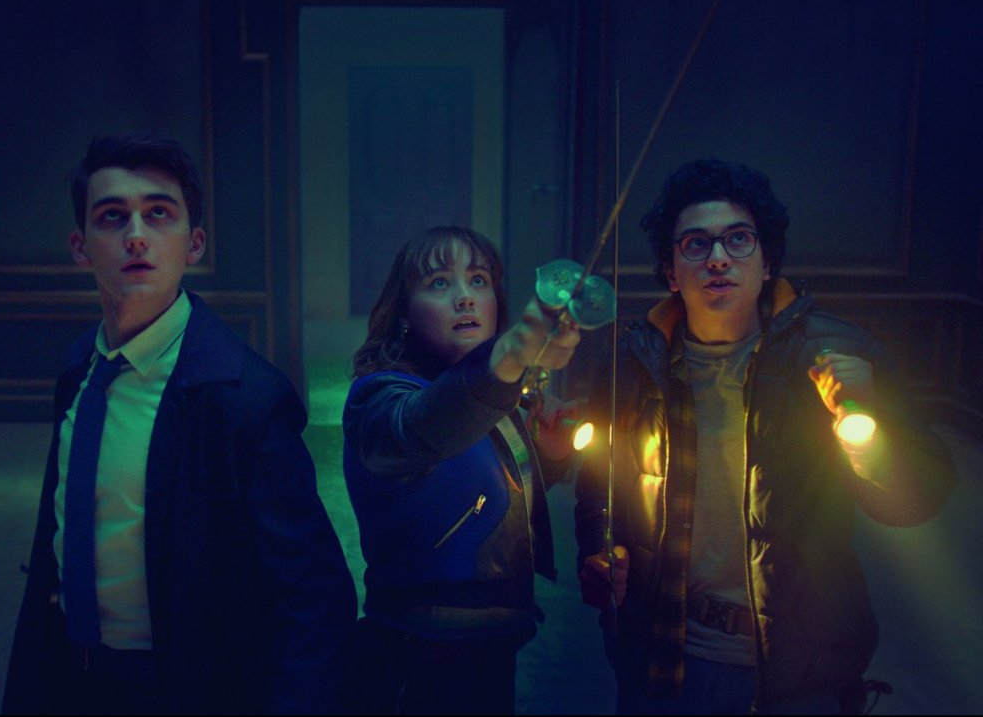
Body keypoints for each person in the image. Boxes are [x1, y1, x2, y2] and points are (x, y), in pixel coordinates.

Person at [574, 158, 957, 714]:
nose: (718, 258)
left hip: (798, 666)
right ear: (671, 271)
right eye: (696, 244)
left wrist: (866, 424)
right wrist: (599, 554)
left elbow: (916, 500)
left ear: (767, 259)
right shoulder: (634, 364)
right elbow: (597, 487)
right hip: (663, 655)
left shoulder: (831, 355)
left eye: (738, 239)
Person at [2, 132, 356, 715]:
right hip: (70, 676)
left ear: (194, 244)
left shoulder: (248, 399)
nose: (136, 235)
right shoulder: (80, 368)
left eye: (158, 213)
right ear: (80, 248)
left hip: (177, 686)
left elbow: (314, 601)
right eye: (112, 216)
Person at [340, 225, 582, 714]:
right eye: (439, 283)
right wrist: (508, 357)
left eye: (478, 280)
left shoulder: (493, 394)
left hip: (493, 646)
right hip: (416, 656)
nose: (465, 297)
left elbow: (475, 488)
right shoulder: (380, 396)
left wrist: (550, 456)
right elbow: (425, 428)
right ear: (404, 315)